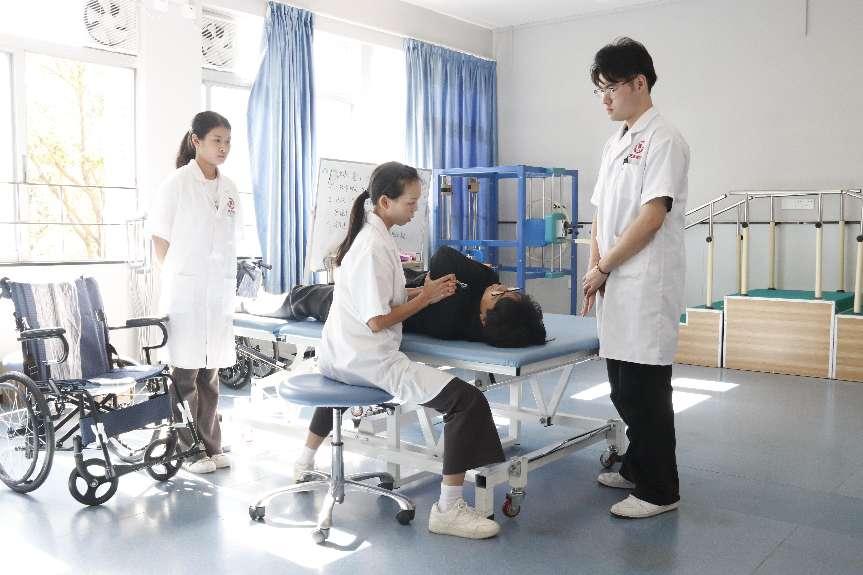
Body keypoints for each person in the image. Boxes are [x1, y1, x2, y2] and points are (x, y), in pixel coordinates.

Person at [299, 161, 505, 539]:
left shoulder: (373, 237)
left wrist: (424, 291)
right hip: (368, 361)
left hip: (339, 359)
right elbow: (377, 320)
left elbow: (384, 295)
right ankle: (448, 509)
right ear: (385, 202)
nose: (415, 209)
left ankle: (303, 461)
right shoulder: (373, 246)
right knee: (467, 401)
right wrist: (425, 298)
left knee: (454, 398)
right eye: (411, 203)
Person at [581, 37, 689, 518]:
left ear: (639, 83)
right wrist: (595, 266)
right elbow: (601, 214)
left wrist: (605, 266)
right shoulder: (615, 143)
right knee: (621, 387)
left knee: (646, 392)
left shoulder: (664, 139)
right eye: (599, 90)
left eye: (610, 88)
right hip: (615, 280)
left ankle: (660, 490)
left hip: (645, 282)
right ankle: (636, 466)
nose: (604, 98)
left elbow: (651, 217)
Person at [147, 111, 240, 474]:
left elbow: (229, 240)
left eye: (227, 141)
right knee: (184, 375)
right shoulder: (177, 184)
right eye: (217, 140)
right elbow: (159, 238)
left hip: (216, 295)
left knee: (210, 376)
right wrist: (177, 278)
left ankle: (211, 445)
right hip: (185, 293)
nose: (223, 147)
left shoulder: (229, 188)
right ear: (196, 141)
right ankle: (188, 451)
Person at [238, 245, 547, 347]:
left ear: (484, 320)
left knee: (304, 299)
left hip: (369, 307)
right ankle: (256, 302)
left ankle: (249, 305)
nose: (498, 287)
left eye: (498, 295)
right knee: (312, 293)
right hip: (392, 287)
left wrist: (484, 275)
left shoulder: (452, 315)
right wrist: (487, 281)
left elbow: (444, 257)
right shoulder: (478, 308)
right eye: (508, 289)